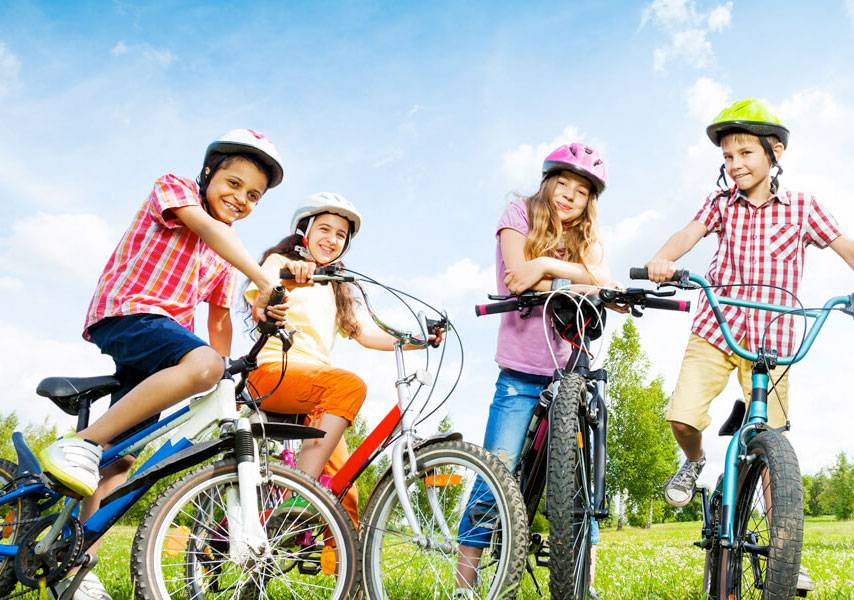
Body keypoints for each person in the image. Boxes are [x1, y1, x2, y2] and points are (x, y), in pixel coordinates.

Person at [643, 98, 854, 592]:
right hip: (717, 327)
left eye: (745, 153)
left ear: (774, 152)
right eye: (727, 157)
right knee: (682, 417)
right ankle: (694, 461)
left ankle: (785, 551)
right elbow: (687, 233)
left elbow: (848, 247)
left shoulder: (802, 208)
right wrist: (661, 259)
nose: (735, 164)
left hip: (773, 339)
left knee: (773, 441)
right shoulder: (720, 204)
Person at [37, 128, 285, 599]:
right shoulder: (174, 188)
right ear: (208, 173)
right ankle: (81, 444)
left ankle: (75, 568)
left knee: (121, 461)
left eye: (253, 196)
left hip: (162, 349)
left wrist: (230, 374)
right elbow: (207, 230)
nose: (240, 199)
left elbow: (218, 318)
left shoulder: (224, 255)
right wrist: (262, 280)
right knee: (203, 365)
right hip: (128, 314)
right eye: (233, 184)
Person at [454, 143, 616, 598]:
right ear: (547, 182)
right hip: (522, 373)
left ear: (589, 201)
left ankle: (583, 583)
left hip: (571, 373)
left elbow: (604, 278)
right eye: (562, 184)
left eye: (580, 191)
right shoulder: (518, 213)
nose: (568, 196)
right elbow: (517, 277)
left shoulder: (588, 235)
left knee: (581, 483)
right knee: (497, 472)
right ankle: (464, 585)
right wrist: (575, 276)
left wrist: (545, 265)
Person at [244, 192, 441, 526]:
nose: (332, 239)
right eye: (324, 229)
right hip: (272, 373)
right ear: (305, 231)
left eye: (340, 235)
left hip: (317, 393)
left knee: (344, 487)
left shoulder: (334, 285)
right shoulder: (280, 264)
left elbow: (364, 333)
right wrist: (290, 280)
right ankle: (299, 493)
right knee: (349, 385)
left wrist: (419, 341)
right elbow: (261, 305)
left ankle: (345, 559)